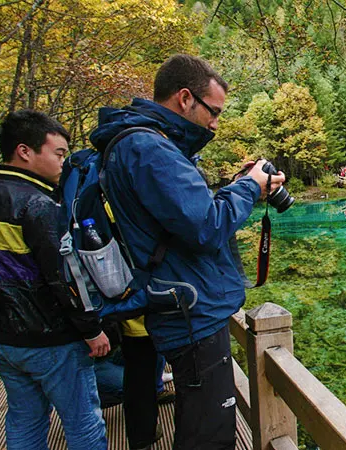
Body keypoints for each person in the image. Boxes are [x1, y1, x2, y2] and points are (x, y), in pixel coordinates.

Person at [89, 54, 285, 449]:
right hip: (191, 314)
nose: (215, 123)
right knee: (209, 435)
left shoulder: (145, 144)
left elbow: (183, 217)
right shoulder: (149, 148)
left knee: (201, 423)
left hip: (184, 307)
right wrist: (249, 186)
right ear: (184, 98)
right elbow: (206, 227)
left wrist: (237, 184)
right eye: (213, 112)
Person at [0, 110, 109, 449]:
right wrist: (91, 329)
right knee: (83, 422)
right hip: (51, 339)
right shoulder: (38, 205)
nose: (62, 163)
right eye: (58, 153)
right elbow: (63, 277)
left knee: (24, 419)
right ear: (25, 151)